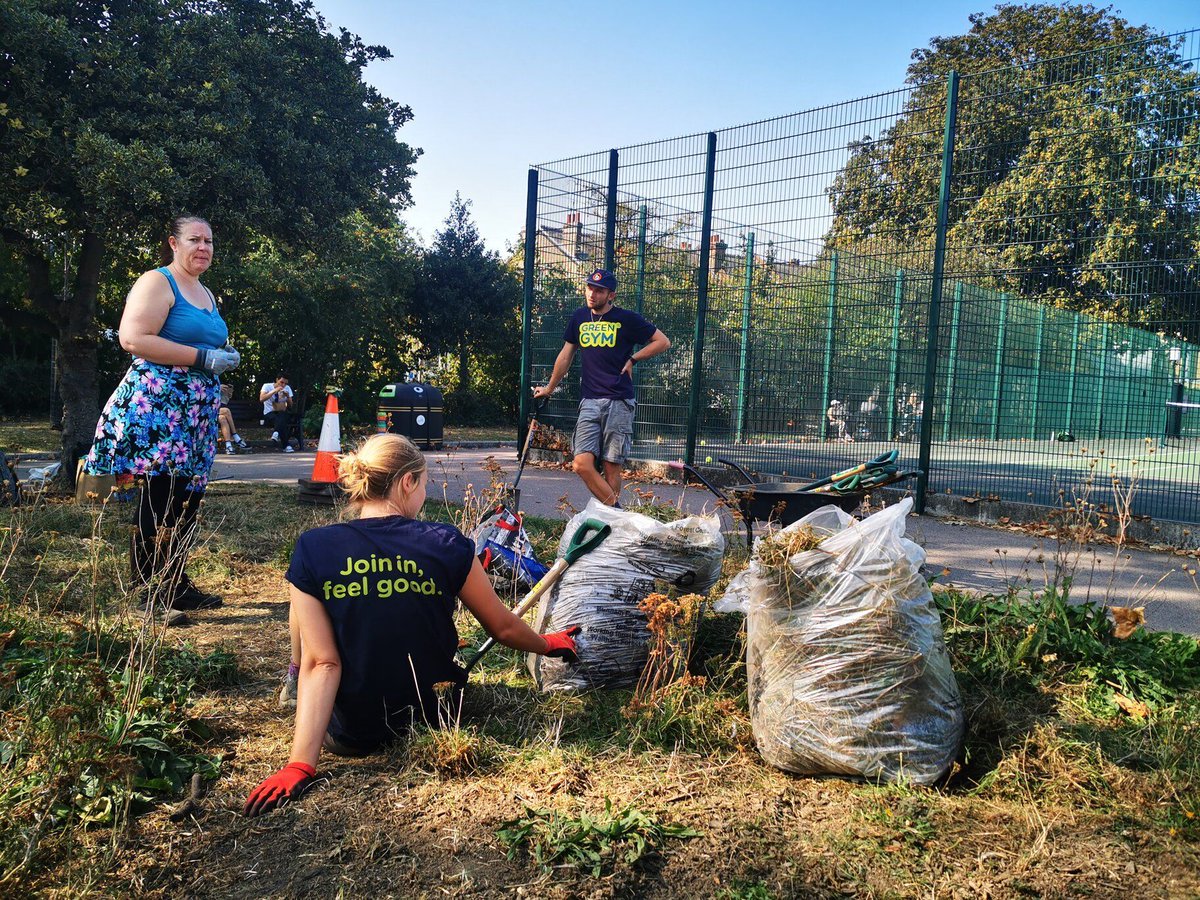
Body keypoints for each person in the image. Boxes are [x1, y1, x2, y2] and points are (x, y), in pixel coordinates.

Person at [244, 433, 581, 816]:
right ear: (408, 482)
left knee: (304, 583)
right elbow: (502, 628)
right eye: (423, 483)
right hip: (435, 715)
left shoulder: (314, 546)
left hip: (352, 735)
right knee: (305, 580)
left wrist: (300, 765)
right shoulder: (446, 542)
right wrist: (550, 644)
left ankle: (292, 678)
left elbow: (323, 663)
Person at [84, 215, 241, 620]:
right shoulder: (158, 282)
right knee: (160, 496)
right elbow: (133, 338)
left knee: (188, 498)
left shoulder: (205, 292)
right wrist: (202, 357)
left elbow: (202, 341)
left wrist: (220, 362)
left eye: (209, 240)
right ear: (173, 242)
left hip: (195, 413)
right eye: (194, 239)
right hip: (159, 408)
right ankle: (149, 592)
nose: (203, 247)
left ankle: (175, 581)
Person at [532, 268, 670, 507]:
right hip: (590, 401)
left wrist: (633, 359)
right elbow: (566, 356)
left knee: (611, 466)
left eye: (599, 290)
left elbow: (663, 341)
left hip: (619, 401)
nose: (592, 294)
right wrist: (549, 388)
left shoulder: (626, 319)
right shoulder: (579, 318)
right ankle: (617, 512)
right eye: (590, 288)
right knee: (581, 463)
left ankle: (611, 524)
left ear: (611, 295)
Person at [259, 375, 295, 452]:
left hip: (282, 413)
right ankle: (286, 445)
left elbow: (290, 405)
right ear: (276, 379)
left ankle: (276, 432)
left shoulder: (287, 388)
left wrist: (288, 397)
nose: (283, 385)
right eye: (281, 382)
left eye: (285, 383)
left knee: (282, 416)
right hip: (269, 413)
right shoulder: (267, 386)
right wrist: (274, 391)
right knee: (281, 420)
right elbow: (261, 399)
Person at [218, 384, 248, 455]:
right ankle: (235, 436)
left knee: (223, 418)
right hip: (207, 410)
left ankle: (228, 446)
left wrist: (228, 392)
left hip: (217, 412)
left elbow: (225, 400)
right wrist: (217, 388)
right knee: (226, 411)